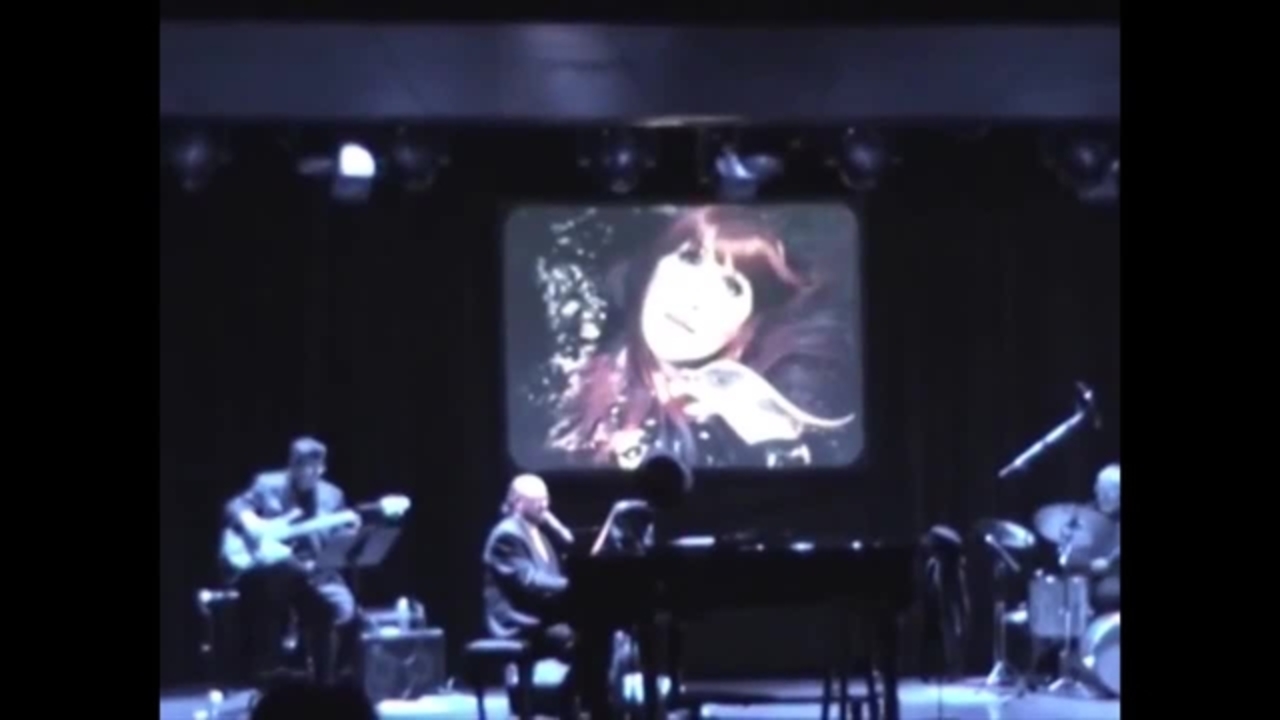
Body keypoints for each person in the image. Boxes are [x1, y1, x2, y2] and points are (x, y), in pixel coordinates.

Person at [550, 206, 861, 469]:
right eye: (690, 259)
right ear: (653, 266)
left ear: (748, 325)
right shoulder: (572, 357)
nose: (694, 298)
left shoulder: (747, 436)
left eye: (732, 287)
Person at [223, 437, 358, 685]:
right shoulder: (267, 484)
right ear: (292, 466)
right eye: (304, 466)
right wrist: (252, 523)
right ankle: (273, 673)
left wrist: (349, 535)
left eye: (317, 467)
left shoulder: (333, 495)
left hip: (314, 571)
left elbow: (339, 540)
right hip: (271, 572)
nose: (311, 473)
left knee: (335, 610)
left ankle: (323, 683)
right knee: (282, 570)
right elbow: (234, 506)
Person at [1088, 463, 1120, 610]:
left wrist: (1111, 565)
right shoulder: (1087, 515)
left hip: (1114, 579)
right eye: (1100, 490)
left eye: (1109, 491)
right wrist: (1089, 565)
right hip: (1094, 580)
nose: (1102, 495)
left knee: (1107, 590)